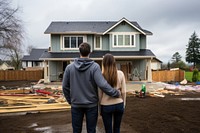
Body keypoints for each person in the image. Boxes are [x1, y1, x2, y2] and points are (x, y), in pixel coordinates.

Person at [62, 42, 120, 133]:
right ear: (90, 52)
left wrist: (70, 100)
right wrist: (115, 93)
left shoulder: (69, 68)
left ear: (79, 52)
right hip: (91, 105)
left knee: (76, 130)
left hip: (76, 105)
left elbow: (64, 86)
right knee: (91, 130)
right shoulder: (95, 67)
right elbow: (102, 84)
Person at [99, 53, 126, 133]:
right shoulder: (121, 73)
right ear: (114, 62)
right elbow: (124, 91)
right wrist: (123, 104)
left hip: (106, 106)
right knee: (117, 129)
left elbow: (99, 94)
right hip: (119, 104)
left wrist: (100, 108)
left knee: (108, 130)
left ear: (104, 63)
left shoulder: (101, 75)